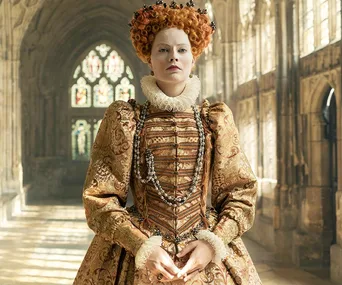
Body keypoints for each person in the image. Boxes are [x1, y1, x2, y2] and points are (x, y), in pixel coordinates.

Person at [73, 1, 262, 284]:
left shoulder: (215, 120)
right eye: (163, 50)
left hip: (204, 254)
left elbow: (241, 193)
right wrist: (141, 245)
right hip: (141, 254)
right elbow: (99, 198)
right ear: (149, 58)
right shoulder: (125, 120)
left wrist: (213, 244)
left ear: (193, 57)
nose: (173, 57)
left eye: (182, 49)